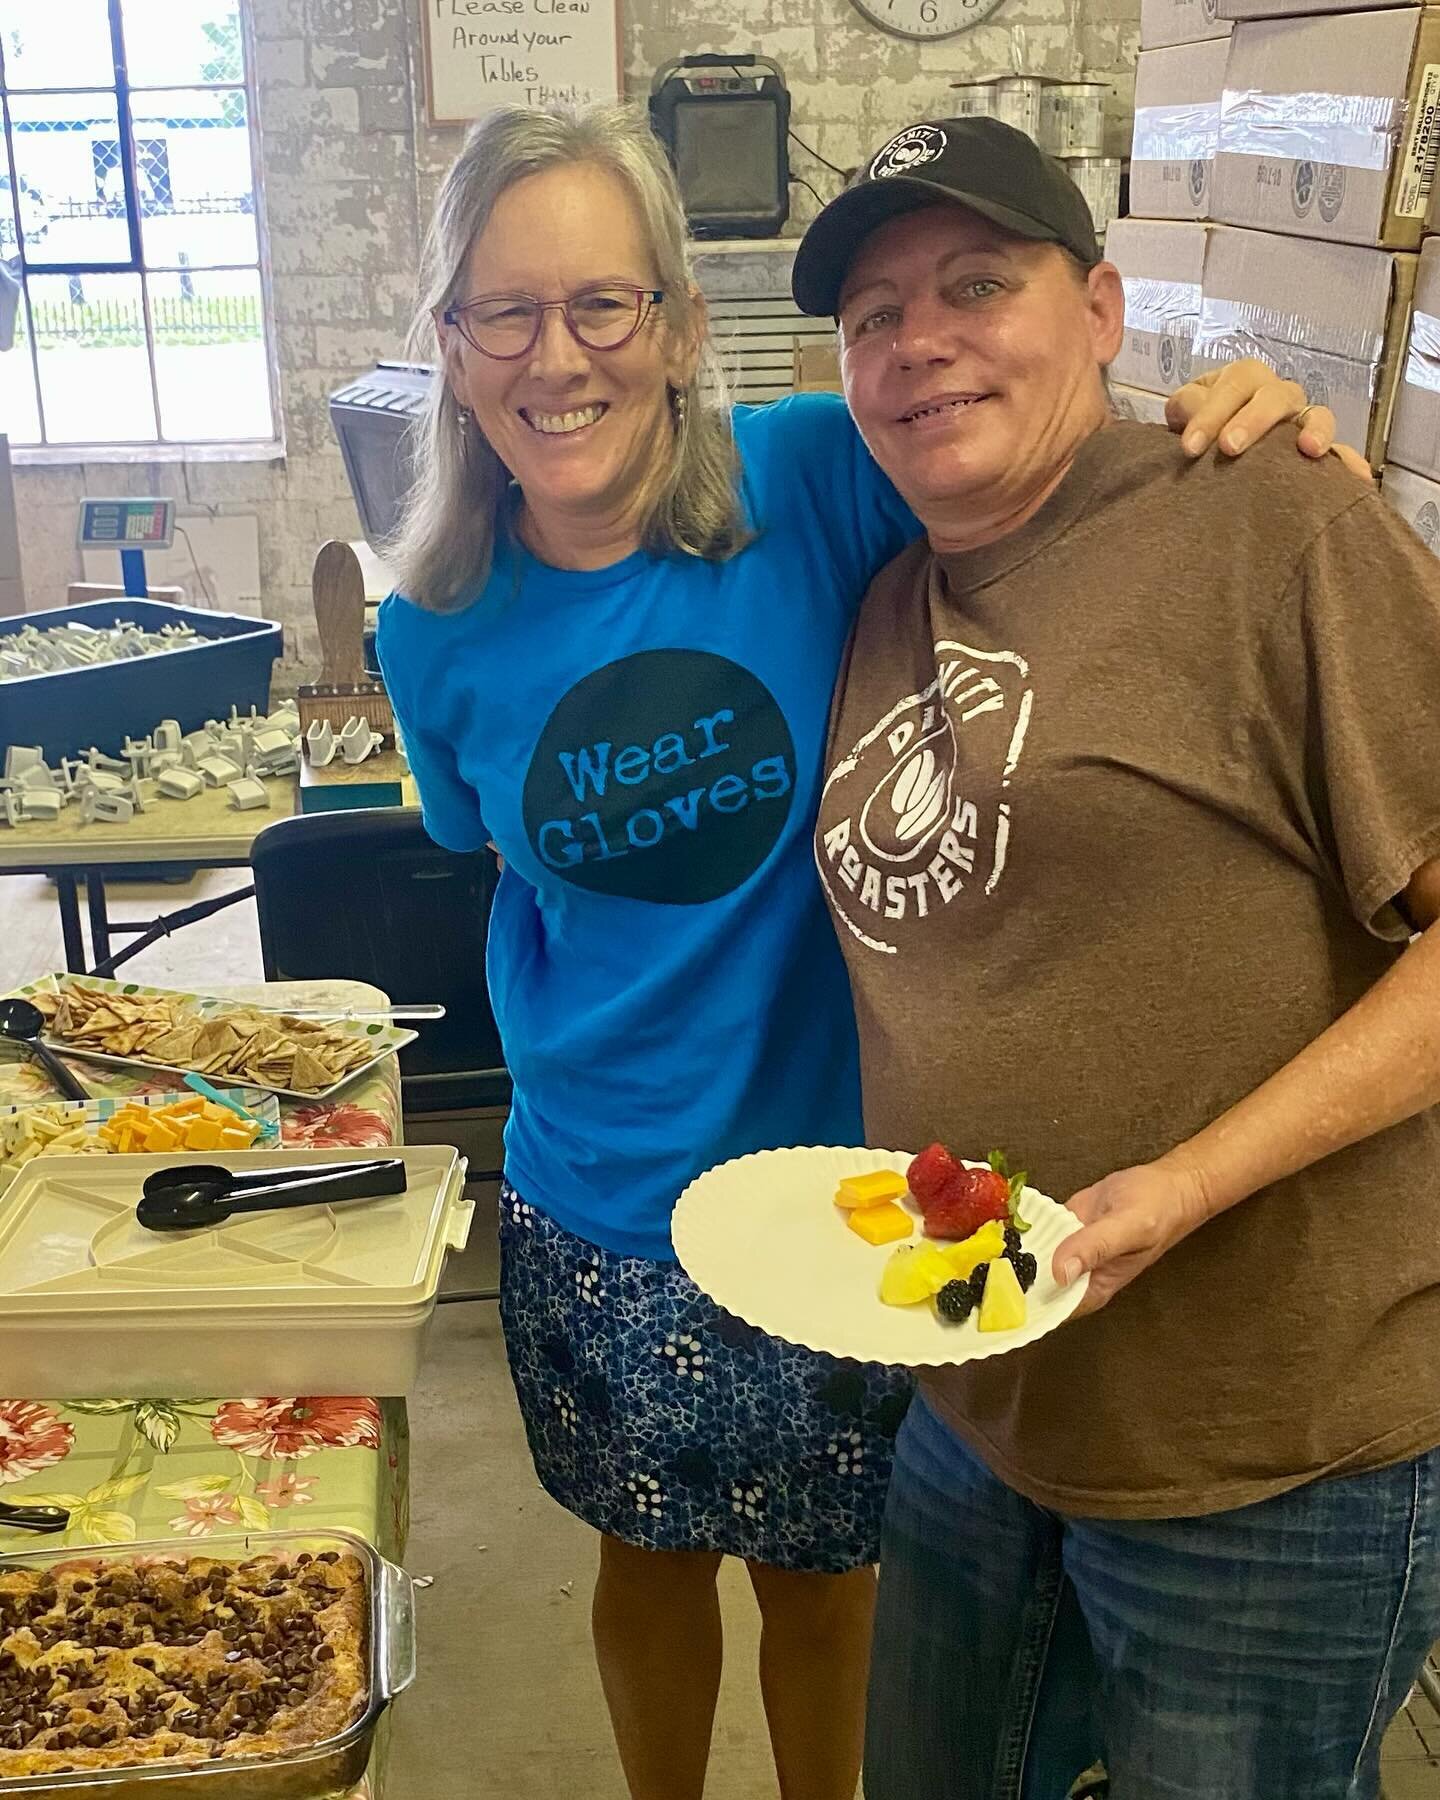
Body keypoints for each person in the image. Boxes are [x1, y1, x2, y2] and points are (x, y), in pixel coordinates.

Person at [375, 104, 1351, 1800]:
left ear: (679, 326)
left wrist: (1234, 414)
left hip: (834, 1193)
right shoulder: (431, 623)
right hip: (590, 1190)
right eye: (503, 313)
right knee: (645, 1560)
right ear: (452, 353)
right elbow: (495, 868)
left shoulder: (812, 477)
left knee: (832, 1585)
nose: (559, 355)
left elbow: (1032, 457)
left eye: (604, 304)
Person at [796, 114, 1440, 1800]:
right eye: (873, 315)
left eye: (975, 284)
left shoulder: (1268, 525)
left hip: (1261, 1447)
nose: (920, 340)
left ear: (1100, 309)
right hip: (984, 1398)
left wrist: (1197, 1181)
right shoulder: (889, 596)